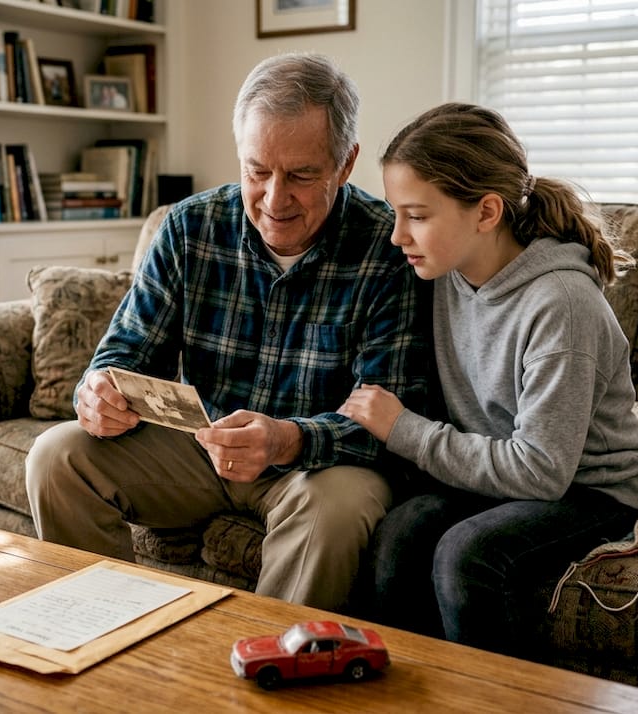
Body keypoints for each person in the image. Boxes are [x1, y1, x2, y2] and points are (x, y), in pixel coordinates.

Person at [26, 53, 432, 611]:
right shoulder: (191, 227)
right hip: (202, 448)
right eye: (257, 170)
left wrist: (287, 438)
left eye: (302, 175)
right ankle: (101, 633)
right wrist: (97, 392)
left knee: (336, 510)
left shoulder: (390, 248)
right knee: (56, 457)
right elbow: (124, 353)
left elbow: (395, 418)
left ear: (346, 162)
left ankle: (263, 676)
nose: (273, 199)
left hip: (319, 467)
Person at [338, 102, 638, 656]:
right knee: (399, 533)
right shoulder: (444, 273)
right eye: (396, 213)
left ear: (486, 212)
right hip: (494, 474)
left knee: (467, 553)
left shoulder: (561, 304)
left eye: (416, 215)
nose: (396, 237)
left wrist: (404, 430)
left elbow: (540, 472)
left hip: (588, 488)